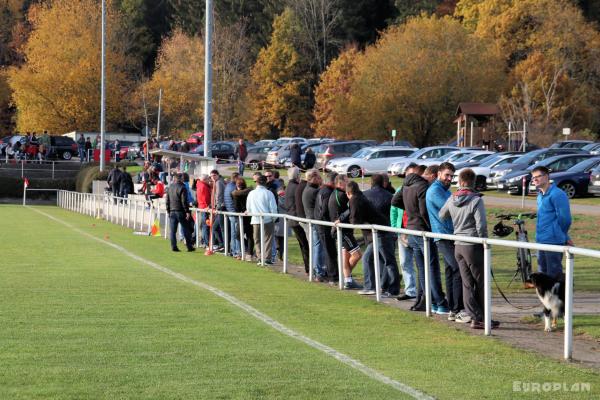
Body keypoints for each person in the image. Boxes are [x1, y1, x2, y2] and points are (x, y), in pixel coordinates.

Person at [439, 168, 499, 330]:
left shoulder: (452, 198)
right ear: (473, 182)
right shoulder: (476, 200)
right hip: (472, 245)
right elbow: (482, 225)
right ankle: (483, 318)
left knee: (467, 284)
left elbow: (441, 214)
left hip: (458, 245)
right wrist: (484, 241)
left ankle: (474, 317)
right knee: (480, 283)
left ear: (459, 181)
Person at [392, 163, 448, 313]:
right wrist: (428, 225)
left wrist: (410, 212)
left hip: (411, 230)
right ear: (433, 176)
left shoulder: (406, 184)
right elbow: (424, 211)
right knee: (432, 267)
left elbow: (395, 201)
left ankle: (430, 301)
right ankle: (439, 302)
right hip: (422, 231)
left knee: (422, 268)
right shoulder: (423, 186)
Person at [426, 162, 464, 320]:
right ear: (439, 174)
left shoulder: (443, 190)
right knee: (457, 269)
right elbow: (452, 210)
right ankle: (457, 309)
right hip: (443, 236)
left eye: (451, 176)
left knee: (450, 271)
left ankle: (453, 310)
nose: (449, 178)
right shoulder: (435, 190)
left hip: (449, 235)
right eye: (447, 175)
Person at [360, 174, 401, 296]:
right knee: (386, 261)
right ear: (384, 183)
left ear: (371, 182)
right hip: (386, 232)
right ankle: (384, 287)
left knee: (381, 260)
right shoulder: (390, 196)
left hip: (377, 233)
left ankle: (379, 287)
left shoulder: (365, 195)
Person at [531, 165, 573, 279]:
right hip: (541, 240)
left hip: (553, 241)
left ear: (546, 177)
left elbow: (565, 219)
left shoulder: (557, 194)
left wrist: (563, 236)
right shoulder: (540, 196)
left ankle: (561, 296)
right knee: (542, 276)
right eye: (533, 177)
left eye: (538, 176)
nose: (535, 180)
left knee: (554, 276)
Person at [391, 163, 418, 301]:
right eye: (409, 174)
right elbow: (394, 210)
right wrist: (396, 229)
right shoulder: (399, 190)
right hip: (403, 232)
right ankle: (410, 290)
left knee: (422, 263)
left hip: (417, 232)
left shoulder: (421, 190)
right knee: (405, 263)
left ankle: (426, 292)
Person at [330, 175, 362, 288]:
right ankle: (346, 277)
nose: (348, 185)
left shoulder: (334, 193)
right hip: (344, 230)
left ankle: (347, 279)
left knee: (345, 256)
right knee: (357, 255)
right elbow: (351, 209)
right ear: (340, 183)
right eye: (346, 182)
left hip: (340, 229)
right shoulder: (341, 195)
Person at [246, 174, 278, 265]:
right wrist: (274, 219)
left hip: (256, 220)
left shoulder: (251, 193)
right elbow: (273, 208)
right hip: (267, 220)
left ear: (257, 182)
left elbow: (248, 209)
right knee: (267, 240)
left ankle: (260, 257)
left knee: (257, 240)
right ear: (266, 182)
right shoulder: (269, 193)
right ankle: (266, 258)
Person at [285, 167, 310, 273]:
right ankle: (309, 268)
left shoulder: (288, 187)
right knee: (305, 245)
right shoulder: (296, 187)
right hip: (297, 219)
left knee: (303, 245)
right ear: (297, 176)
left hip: (293, 219)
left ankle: (308, 267)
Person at [314, 172, 339, 282]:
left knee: (328, 251)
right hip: (324, 226)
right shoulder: (328, 192)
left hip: (321, 224)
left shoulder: (322, 190)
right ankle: (333, 276)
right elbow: (324, 210)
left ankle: (331, 274)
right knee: (330, 252)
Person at [302, 169, 326, 280]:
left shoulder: (308, 188)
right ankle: (318, 271)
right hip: (315, 221)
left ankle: (316, 270)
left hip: (310, 220)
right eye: (319, 177)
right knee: (317, 247)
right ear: (314, 178)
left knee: (315, 246)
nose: (320, 179)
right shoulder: (313, 191)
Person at [166, 173, 195, 252]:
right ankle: (189, 247)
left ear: (174, 179)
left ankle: (173, 246)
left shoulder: (170, 187)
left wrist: (168, 210)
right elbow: (184, 201)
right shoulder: (183, 187)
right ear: (181, 179)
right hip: (180, 211)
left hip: (172, 211)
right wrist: (187, 212)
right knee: (186, 229)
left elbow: (167, 201)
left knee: (173, 231)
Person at [232, 177, 254, 260]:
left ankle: (248, 252)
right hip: (247, 216)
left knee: (240, 235)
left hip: (244, 216)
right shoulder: (249, 192)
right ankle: (249, 252)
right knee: (248, 235)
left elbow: (236, 207)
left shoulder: (235, 194)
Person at [225, 172, 241, 258]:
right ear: (236, 178)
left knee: (233, 233)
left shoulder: (228, 186)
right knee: (236, 233)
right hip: (234, 212)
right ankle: (236, 251)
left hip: (230, 211)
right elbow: (236, 200)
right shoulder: (234, 187)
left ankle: (233, 250)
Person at [210, 169, 225, 251]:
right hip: (218, 207)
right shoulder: (216, 182)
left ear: (218, 175)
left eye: (214, 175)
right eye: (211, 176)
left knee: (216, 227)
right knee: (217, 227)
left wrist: (217, 207)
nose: (212, 177)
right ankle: (222, 244)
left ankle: (223, 244)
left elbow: (218, 196)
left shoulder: (219, 182)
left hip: (220, 208)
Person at [195, 174, 212, 248]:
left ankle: (203, 241)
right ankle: (206, 242)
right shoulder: (203, 186)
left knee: (203, 225)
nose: (209, 180)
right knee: (205, 225)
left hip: (202, 207)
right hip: (204, 208)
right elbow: (205, 198)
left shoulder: (200, 185)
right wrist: (208, 206)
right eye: (208, 179)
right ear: (205, 179)